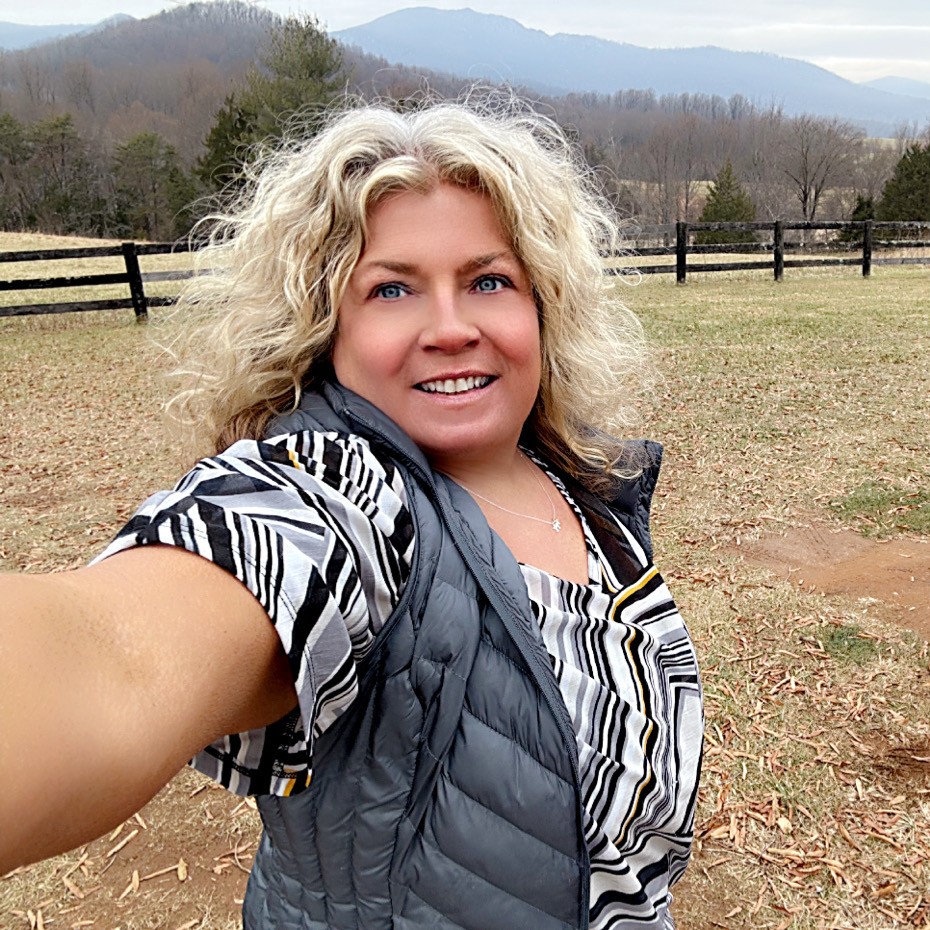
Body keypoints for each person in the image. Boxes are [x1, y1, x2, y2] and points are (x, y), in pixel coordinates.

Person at [1, 96, 703, 929]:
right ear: (325, 327)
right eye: (392, 289)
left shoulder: (580, 482)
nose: (451, 327)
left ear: (542, 307)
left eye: (487, 280)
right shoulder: (343, 494)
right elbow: (113, 661)